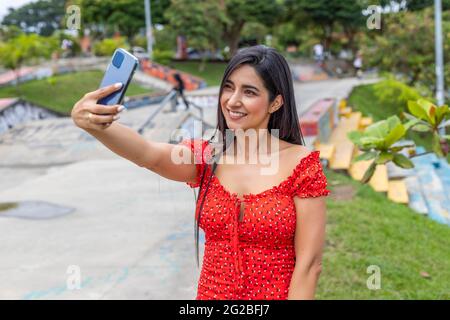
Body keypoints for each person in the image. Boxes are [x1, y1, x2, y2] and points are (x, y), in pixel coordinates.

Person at [70, 45, 331, 300]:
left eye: (249, 92)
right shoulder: (207, 156)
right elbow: (147, 154)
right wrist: (93, 124)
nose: (233, 100)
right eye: (228, 87)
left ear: (275, 103)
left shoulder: (302, 165)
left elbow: (309, 265)